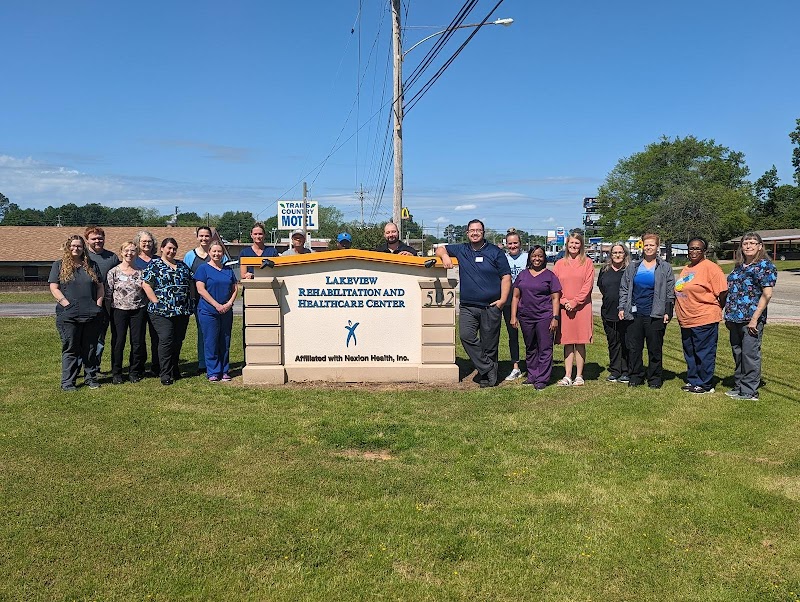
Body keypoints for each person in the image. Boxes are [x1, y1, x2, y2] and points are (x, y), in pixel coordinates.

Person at [436, 219, 511, 387]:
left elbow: (506, 276)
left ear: (483, 233)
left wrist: (502, 301)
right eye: (472, 230)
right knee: (466, 336)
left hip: (491, 306)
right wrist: (445, 255)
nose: (475, 233)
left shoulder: (495, 252)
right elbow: (440, 248)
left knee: (489, 344)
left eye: (478, 230)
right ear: (467, 233)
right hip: (468, 306)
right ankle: (488, 367)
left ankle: (489, 378)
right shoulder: (462, 249)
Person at [723, 232, 777, 401]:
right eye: (746, 243)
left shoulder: (764, 266)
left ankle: (749, 391)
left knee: (750, 354)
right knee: (738, 353)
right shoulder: (739, 267)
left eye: (753, 243)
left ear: (760, 246)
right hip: (734, 317)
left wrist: (755, 319)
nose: (748, 246)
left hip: (751, 319)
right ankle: (739, 385)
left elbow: (767, 294)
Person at [617, 235, 675, 389]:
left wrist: (668, 311)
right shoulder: (634, 266)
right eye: (646, 245)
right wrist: (622, 307)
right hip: (635, 313)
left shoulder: (665, 267)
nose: (649, 247)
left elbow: (670, 292)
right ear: (642, 246)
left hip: (655, 314)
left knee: (654, 348)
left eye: (652, 245)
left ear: (657, 247)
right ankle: (636, 375)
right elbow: (624, 288)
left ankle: (655, 378)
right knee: (634, 347)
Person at [48, 235, 104, 391]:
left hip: (91, 313)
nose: (76, 249)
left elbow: (100, 287)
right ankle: (68, 382)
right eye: (73, 246)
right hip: (68, 315)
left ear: (83, 248)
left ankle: (91, 379)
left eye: (79, 246)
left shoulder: (91, 265)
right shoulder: (58, 265)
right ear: (68, 247)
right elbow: (54, 287)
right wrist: (66, 304)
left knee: (90, 348)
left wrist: (98, 305)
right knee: (71, 348)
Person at [674, 236, 728, 394]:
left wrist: (715, 308)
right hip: (686, 319)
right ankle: (693, 381)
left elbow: (723, 292)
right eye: (691, 248)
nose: (694, 251)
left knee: (704, 352)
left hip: (704, 318)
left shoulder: (711, 268)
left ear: (704, 251)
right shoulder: (687, 268)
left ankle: (705, 384)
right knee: (690, 352)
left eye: (698, 248)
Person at [142, 238, 195, 386]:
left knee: (178, 340)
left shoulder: (182, 266)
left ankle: (174, 368)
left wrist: (191, 300)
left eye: (174, 249)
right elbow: (146, 285)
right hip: (161, 311)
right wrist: (156, 302)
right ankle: (164, 373)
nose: (172, 251)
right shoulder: (154, 265)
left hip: (181, 310)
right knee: (166, 339)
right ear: (162, 249)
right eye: (169, 248)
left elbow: (191, 282)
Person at [510, 245, 561, 390]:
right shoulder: (523, 275)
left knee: (545, 348)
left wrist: (555, 317)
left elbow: (555, 299)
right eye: (534, 255)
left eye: (540, 256)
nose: (536, 258)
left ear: (544, 258)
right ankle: (532, 375)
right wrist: (513, 316)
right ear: (529, 257)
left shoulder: (550, 276)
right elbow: (515, 296)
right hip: (526, 316)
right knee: (530, 347)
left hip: (544, 316)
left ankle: (542, 379)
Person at [183, 226, 228, 374]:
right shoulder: (190, 256)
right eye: (201, 236)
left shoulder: (219, 253)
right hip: (199, 300)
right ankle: (203, 363)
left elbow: (227, 275)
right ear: (197, 237)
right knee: (203, 332)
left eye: (207, 236)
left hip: (220, 301)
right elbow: (186, 279)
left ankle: (218, 363)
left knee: (219, 334)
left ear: (211, 237)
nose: (204, 239)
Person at [552, 231, 595, 386]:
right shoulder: (559, 264)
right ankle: (567, 375)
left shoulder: (588, 263)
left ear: (581, 245)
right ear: (567, 244)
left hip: (582, 308)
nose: (574, 246)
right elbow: (555, 286)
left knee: (580, 341)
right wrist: (564, 302)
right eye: (571, 243)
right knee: (568, 342)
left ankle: (579, 375)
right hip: (564, 308)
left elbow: (588, 285)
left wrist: (575, 302)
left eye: (577, 243)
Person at [195, 242, 239, 382]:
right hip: (208, 311)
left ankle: (225, 370)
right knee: (211, 341)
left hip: (226, 311)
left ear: (223, 254)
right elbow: (201, 289)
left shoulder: (228, 270)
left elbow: (235, 288)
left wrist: (229, 303)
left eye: (219, 251)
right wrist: (216, 305)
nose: (217, 254)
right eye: (214, 251)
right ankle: (213, 371)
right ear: (209, 252)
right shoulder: (203, 269)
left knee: (225, 341)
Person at [106, 241, 147, 384]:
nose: (129, 253)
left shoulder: (142, 272)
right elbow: (108, 293)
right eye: (127, 251)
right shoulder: (114, 272)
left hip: (138, 310)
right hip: (118, 310)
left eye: (133, 251)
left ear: (137, 253)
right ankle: (117, 373)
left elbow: (146, 292)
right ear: (121, 252)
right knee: (118, 341)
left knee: (137, 342)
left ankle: (134, 372)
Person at [84, 226, 120, 369]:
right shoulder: (82, 256)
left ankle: (94, 366)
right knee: (82, 336)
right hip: (85, 300)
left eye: (100, 238)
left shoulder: (112, 257)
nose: (97, 240)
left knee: (100, 337)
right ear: (87, 240)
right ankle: (80, 365)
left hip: (106, 303)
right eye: (94, 238)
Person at [598, 243, 631, 383]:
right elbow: (601, 287)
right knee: (613, 342)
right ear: (610, 255)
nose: (617, 255)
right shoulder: (604, 270)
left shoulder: (629, 270)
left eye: (620, 252)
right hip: (608, 311)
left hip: (626, 312)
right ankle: (615, 370)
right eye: (614, 253)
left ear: (625, 254)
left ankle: (626, 371)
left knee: (626, 342)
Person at [502, 228, 528, 380]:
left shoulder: (526, 257)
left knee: (529, 333)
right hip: (508, 299)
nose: (513, 246)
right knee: (513, 334)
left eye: (515, 243)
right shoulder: (503, 258)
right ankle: (515, 366)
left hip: (525, 299)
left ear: (520, 243)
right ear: (506, 244)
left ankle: (533, 364)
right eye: (510, 243)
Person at [133, 230, 160, 376]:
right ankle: (138, 367)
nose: (146, 244)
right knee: (138, 338)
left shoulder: (158, 260)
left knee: (157, 336)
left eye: (149, 241)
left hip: (155, 303)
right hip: (137, 304)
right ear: (138, 243)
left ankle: (157, 366)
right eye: (143, 241)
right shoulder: (134, 259)